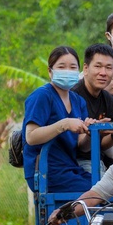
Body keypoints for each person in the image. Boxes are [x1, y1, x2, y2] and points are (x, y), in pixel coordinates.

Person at [22, 46, 92, 193]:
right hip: (46, 171)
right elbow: (31, 137)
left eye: (73, 67)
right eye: (61, 67)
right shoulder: (42, 96)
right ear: (50, 71)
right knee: (95, 193)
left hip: (71, 169)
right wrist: (64, 124)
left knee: (107, 188)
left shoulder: (78, 101)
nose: (67, 71)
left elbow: (82, 146)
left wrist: (90, 132)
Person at [72, 43, 113, 173]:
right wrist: (94, 131)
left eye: (108, 68)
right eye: (98, 66)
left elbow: (103, 144)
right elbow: (79, 145)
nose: (103, 73)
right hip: (74, 161)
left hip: (97, 159)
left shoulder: (108, 99)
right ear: (85, 69)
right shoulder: (73, 95)